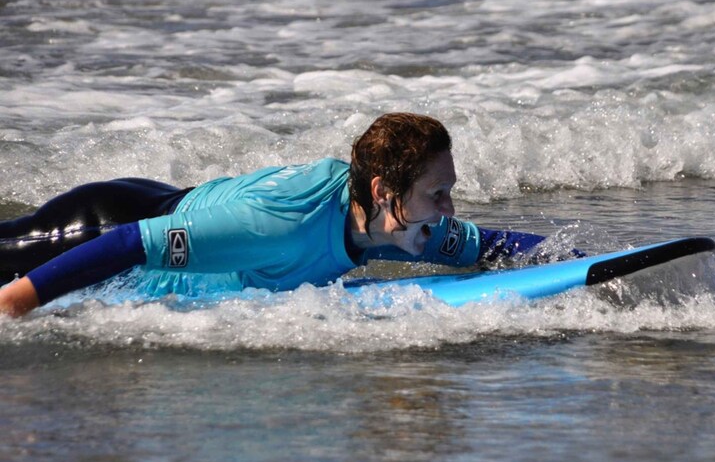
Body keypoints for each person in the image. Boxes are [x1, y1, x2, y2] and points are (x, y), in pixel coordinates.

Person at [0, 113, 549, 317]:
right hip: (100, 225)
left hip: (172, 205)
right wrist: (15, 303)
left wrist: (589, 263)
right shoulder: (279, 226)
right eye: (439, 195)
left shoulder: (402, 224)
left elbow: (495, 244)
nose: (449, 211)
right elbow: (127, 246)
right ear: (384, 191)